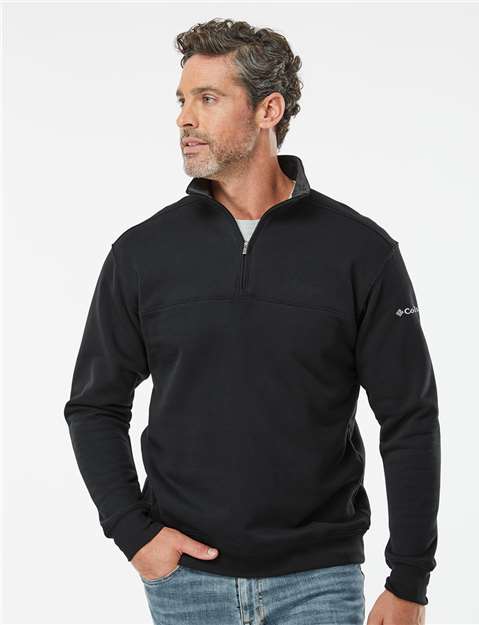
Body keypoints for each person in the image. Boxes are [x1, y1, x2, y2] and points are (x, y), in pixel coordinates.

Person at [64, 18, 440, 625]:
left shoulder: (360, 251)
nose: (184, 118)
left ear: (269, 109)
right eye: (182, 100)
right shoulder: (143, 253)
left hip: (320, 579)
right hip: (187, 582)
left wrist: (410, 581)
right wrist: (133, 533)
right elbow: (94, 405)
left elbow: (409, 417)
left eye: (208, 99)